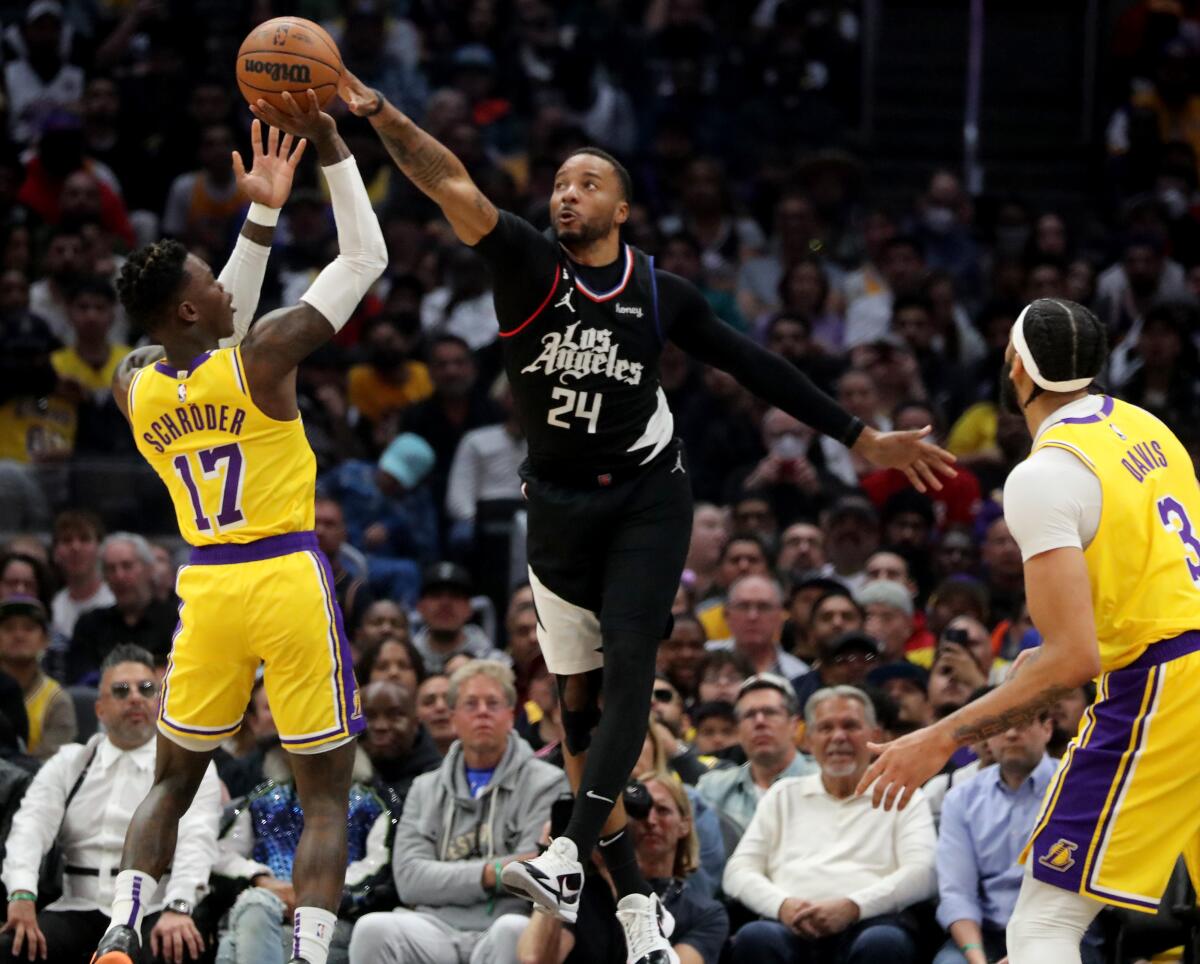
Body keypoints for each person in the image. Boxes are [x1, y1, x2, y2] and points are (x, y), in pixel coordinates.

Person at [336, 68, 954, 962]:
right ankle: (630, 912)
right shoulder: (524, 264)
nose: (567, 195)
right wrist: (381, 113)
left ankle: (566, 852)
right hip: (553, 509)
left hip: (647, 495)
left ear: (621, 209)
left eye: (587, 184)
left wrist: (862, 437)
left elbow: (756, 365)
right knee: (580, 722)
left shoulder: (660, 291)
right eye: (559, 185)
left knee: (633, 663)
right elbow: (449, 183)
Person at [89, 89, 388, 964]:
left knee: (172, 779)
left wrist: (261, 218)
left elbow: (212, 319)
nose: (220, 288)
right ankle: (307, 955)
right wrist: (332, 147)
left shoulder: (135, 381)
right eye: (203, 284)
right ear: (188, 309)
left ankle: (120, 925)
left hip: (207, 585)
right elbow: (363, 257)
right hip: (286, 576)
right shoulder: (264, 357)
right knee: (325, 793)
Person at [858, 298, 1200, 964]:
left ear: (1016, 366)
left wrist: (938, 738)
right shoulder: (1152, 430)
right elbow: (1153, 580)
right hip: (1184, 654)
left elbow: (1074, 661)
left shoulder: (1043, 475)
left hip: (1163, 686)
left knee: (1041, 926)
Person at [0, 646, 221, 963]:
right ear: (100, 709)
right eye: (121, 690)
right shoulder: (69, 762)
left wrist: (179, 906)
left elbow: (197, 841)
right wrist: (21, 894)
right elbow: (30, 827)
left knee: (179, 945)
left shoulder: (191, 766)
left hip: (154, 908)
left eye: (146, 689)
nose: (135, 698)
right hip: (78, 906)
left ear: (160, 702)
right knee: (11, 948)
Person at [346, 661, 570, 964]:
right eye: (470, 704)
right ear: (453, 717)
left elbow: (537, 873)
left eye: (492, 703)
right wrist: (492, 873)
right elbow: (410, 878)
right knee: (372, 929)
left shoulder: (547, 783)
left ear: (510, 715)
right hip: (433, 926)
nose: (482, 712)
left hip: (504, 921)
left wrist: (450, 878)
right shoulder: (425, 788)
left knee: (514, 931)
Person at [725, 687, 936, 964]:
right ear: (809, 740)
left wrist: (853, 907)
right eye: (825, 728)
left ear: (876, 735)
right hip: (789, 925)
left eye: (850, 725)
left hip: (872, 923)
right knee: (755, 937)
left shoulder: (903, 795)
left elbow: (925, 873)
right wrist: (782, 905)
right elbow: (737, 872)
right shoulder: (782, 794)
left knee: (884, 943)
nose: (838, 737)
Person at [934, 709, 1102, 964]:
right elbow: (957, 894)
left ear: (1047, 729)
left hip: (1063, 930)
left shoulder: (1075, 789)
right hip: (985, 935)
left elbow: (1077, 889)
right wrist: (977, 959)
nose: (1011, 734)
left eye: (1022, 723)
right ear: (988, 738)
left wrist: (1023, 957)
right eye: (1000, 727)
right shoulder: (961, 799)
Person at [696, 674, 815, 839]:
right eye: (749, 715)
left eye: (770, 712)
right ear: (739, 730)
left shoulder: (823, 779)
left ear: (794, 726)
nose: (759, 722)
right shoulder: (712, 788)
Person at [0, 596, 76, 760]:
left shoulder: (56, 699)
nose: (18, 635)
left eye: (29, 628)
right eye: (8, 628)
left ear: (45, 640)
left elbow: (51, 766)